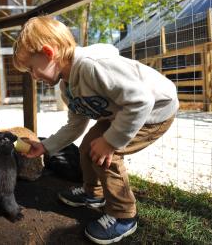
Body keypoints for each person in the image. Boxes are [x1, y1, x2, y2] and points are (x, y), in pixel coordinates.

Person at [12, 16, 179, 244]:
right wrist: (44, 146)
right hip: (122, 112)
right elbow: (75, 124)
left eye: (32, 68)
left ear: (49, 53)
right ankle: (93, 193)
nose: (33, 76)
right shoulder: (67, 86)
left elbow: (141, 101)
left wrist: (110, 142)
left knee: (106, 155)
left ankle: (123, 216)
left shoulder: (93, 66)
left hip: (154, 111)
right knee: (88, 146)